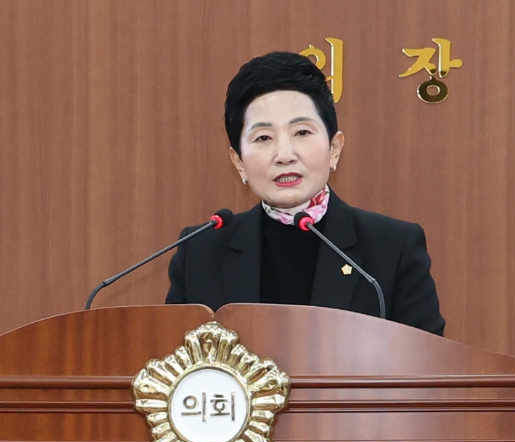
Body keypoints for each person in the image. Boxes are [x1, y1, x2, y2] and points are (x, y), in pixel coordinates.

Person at [165, 51, 445, 336]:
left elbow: (429, 359)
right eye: (263, 137)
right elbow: (172, 357)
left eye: (301, 133)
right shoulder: (201, 252)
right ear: (239, 162)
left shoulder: (392, 249)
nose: (285, 155)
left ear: (334, 148)